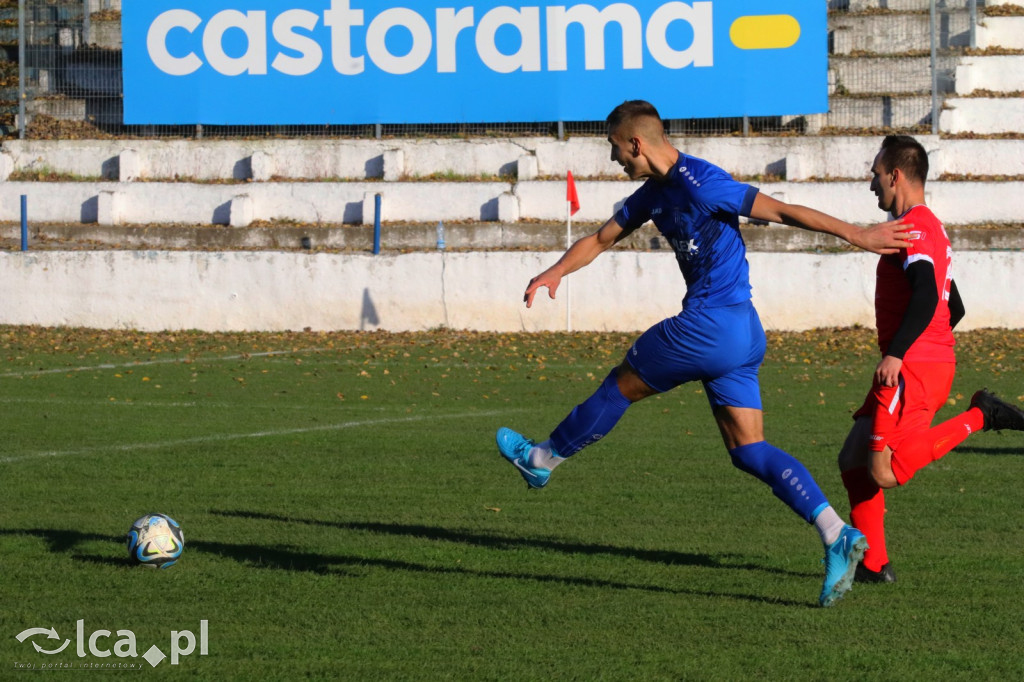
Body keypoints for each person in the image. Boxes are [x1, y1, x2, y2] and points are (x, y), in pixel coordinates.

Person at [495, 99, 913, 607]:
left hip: (707, 326)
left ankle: (541, 459)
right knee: (748, 451)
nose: (614, 161)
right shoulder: (651, 195)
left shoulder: (701, 180)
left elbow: (780, 209)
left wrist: (856, 233)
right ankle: (836, 534)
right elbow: (601, 238)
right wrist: (557, 270)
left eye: (614, 150)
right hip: (742, 333)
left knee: (618, 385)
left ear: (635, 143)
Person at [837, 135, 1024, 584]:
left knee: (883, 472)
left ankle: (982, 415)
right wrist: (928, 350)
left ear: (895, 175)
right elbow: (951, 306)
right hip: (923, 363)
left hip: (913, 367)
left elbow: (926, 291)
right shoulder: (927, 229)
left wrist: (904, 354)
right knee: (852, 458)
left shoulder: (917, 227)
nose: (871, 183)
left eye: (876, 173)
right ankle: (874, 565)